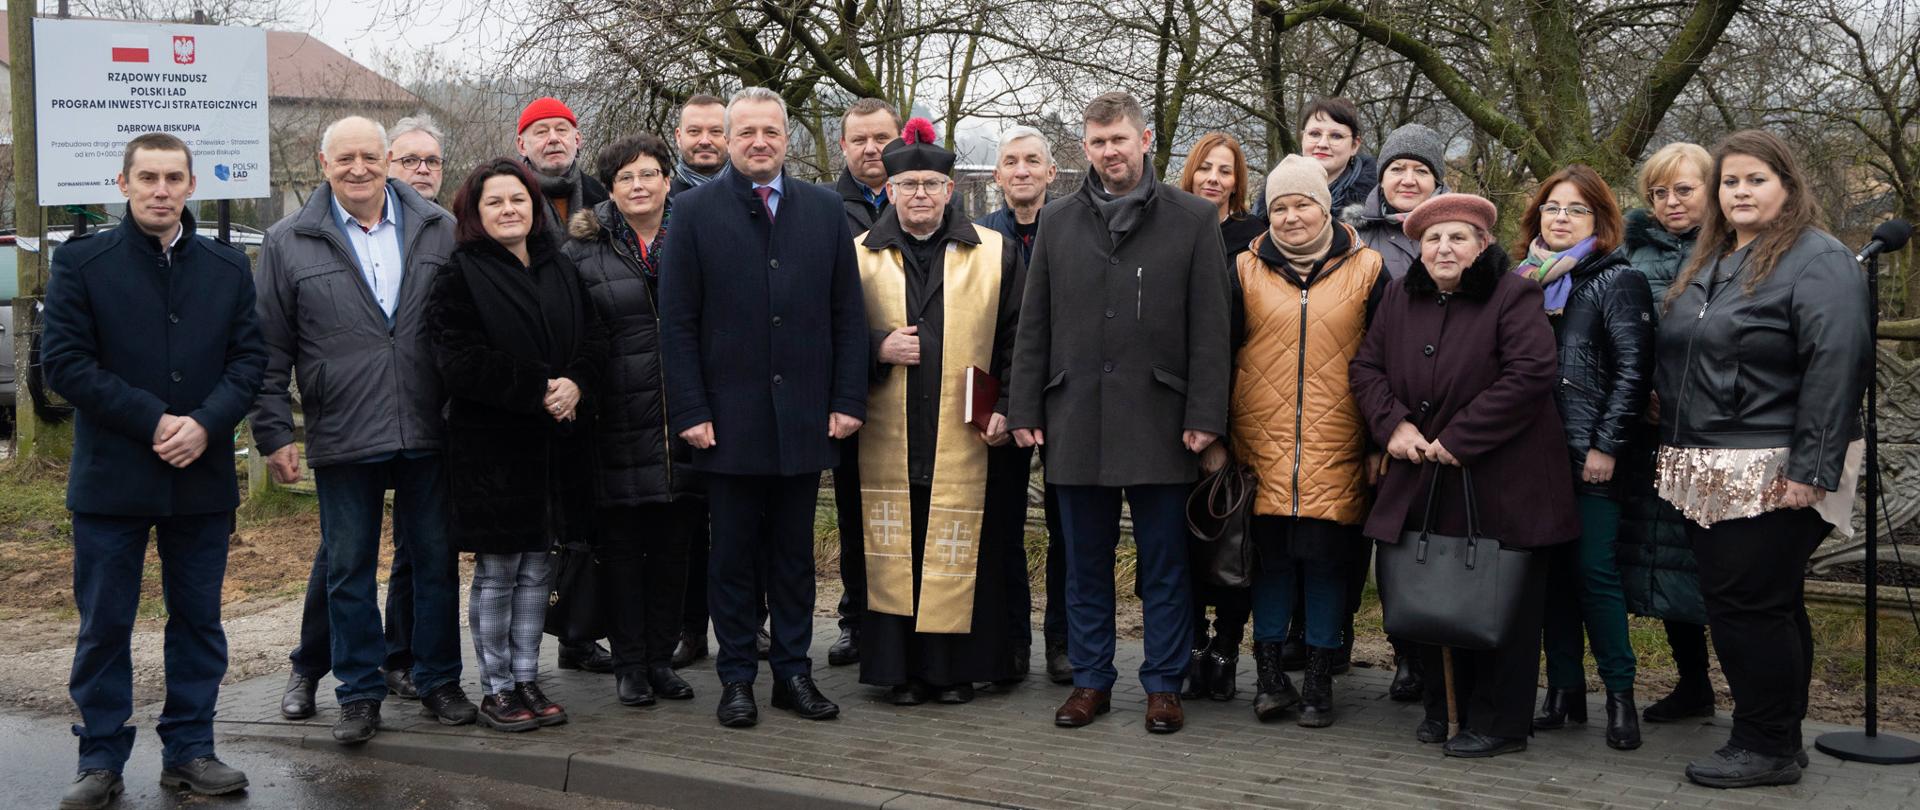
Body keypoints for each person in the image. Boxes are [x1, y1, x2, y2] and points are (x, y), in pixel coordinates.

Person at [43, 133, 266, 808]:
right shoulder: (82, 264)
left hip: (200, 478)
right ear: (124, 183)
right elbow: (66, 365)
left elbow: (249, 364)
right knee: (105, 623)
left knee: (198, 620)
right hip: (113, 479)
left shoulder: (228, 269)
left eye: (173, 177)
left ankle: (191, 750)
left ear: (191, 186)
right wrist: (154, 421)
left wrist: (203, 423)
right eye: (149, 177)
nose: (161, 189)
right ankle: (100, 758)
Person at [1010, 91, 1231, 735]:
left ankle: (1163, 684)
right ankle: (1090, 680)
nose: (1109, 152)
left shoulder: (1193, 219)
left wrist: (1206, 413)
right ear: (1086, 148)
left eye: (1120, 140)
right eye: (1098, 142)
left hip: (1163, 418)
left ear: (1146, 140)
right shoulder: (1056, 221)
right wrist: (1027, 404)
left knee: (1164, 564)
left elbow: (1211, 329)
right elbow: (1034, 323)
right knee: (1083, 561)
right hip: (1074, 414)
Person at [1655, 129, 1870, 789]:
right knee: (1758, 603)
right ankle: (1778, 736)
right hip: (1709, 461)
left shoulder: (1818, 259)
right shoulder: (1714, 256)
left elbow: (1837, 365)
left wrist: (1811, 470)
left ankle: (1764, 744)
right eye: (1730, 181)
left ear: (1787, 186)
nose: (1740, 192)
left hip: (1775, 463)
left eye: (1756, 180)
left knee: (1750, 604)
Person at [252, 116, 475, 745]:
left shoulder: (441, 229)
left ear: (388, 161)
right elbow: (267, 348)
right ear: (322, 163)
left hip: (430, 425)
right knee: (348, 568)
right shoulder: (288, 240)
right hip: (343, 427)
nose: (358, 168)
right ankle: (358, 693)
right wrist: (273, 433)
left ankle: (438, 681)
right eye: (344, 157)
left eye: (370, 157)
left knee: (434, 563)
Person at [660, 87, 869, 728]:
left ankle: (793, 674)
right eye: (745, 132)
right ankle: (736, 679)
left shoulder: (825, 209)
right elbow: (678, 323)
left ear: (788, 139)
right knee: (731, 557)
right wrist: (691, 410)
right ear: (726, 139)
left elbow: (848, 315)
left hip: (806, 417)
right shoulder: (692, 213)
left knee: (793, 558)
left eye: (771, 132)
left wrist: (846, 400)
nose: (759, 142)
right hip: (727, 423)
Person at [1349, 193, 1578, 758]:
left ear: (1483, 245)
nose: (1444, 247)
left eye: (1458, 237)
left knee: (1501, 606)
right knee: (1433, 593)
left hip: (1504, 483)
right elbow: (1366, 366)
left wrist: (1460, 437)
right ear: (1418, 248)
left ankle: (1500, 723)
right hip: (1423, 475)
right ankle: (1442, 707)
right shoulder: (1401, 296)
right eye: (1433, 239)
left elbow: (1530, 373)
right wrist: (1393, 425)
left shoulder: (1513, 294)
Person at [852, 118, 1030, 705]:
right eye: (909, 186)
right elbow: (828, 335)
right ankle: (896, 670)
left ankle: (954, 672)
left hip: (970, 435)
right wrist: (877, 346)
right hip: (888, 435)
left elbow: (1021, 339)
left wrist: (1008, 406)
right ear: (891, 190)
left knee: (963, 549)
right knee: (897, 547)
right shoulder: (857, 257)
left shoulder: (994, 253)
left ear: (950, 190)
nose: (921, 194)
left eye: (931, 184)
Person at [430, 157, 608, 732]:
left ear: (533, 207)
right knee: (499, 572)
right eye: (495, 203)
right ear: (475, 214)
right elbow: (457, 359)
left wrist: (577, 381)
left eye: (518, 200)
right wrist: (538, 389)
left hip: (557, 446)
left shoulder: (559, 267)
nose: (509, 210)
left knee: (539, 568)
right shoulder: (460, 272)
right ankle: (497, 688)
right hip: (494, 451)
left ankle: (529, 677)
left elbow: (595, 336)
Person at [1222, 154, 1388, 727]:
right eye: (1280, 207)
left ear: (1325, 206)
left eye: (1302, 204)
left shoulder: (1368, 269)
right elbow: (1218, 354)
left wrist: (1377, 443)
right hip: (1258, 446)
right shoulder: (1243, 269)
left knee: (1324, 568)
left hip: (1337, 444)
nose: (1291, 217)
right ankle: (1269, 678)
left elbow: (1383, 361)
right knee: (1268, 566)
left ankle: (1318, 681)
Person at [1513, 165, 1653, 752]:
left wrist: (1606, 444)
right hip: (1530, 455)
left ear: (1599, 219)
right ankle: (1564, 691)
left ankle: (1620, 696)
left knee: (1594, 576)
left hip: (1590, 454)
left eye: (1575, 209)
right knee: (1549, 584)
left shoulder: (1617, 280)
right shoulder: (1523, 281)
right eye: (1552, 207)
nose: (1561, 217)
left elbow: (1633, 371)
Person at [564, 133, 703, 707]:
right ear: (610, 188)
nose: (639, 185)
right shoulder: (583, 249)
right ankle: (628, 664)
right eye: (626, 177)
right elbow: (571, 334)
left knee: (675, 550)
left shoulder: (696, 237)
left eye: (649, 174)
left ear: (668, 180)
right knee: (621, 551)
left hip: (685, 420)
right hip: (614, 420)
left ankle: (660, 659)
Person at [1616, 142, 1717, 724]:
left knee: (1714, 564)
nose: (1670, 202)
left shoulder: (1734, 251)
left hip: (1712, 433)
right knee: (1666, 560)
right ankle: (1693, 683)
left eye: (1683, 190)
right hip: (1647, 434)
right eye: (1659, 192)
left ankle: (1765, 703)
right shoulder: (1632, 254)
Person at [1173, 131, 1264, 701]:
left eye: (1225, 171)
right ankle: (1189, 643)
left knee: (1233, 536)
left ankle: (1227, 646)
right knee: (1179, 539)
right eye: (1205, 167)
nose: (1213, 178)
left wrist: (1222, 425)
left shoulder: (1254, 238)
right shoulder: (1172, 225)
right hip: (1172, 406)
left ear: (1239, 180)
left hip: (1240, 402)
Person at [975, 124, 1061, 683]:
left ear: (1052, 173)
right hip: (1003, 406)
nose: (1023, 170)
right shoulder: (977, 240)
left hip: (1066, 398)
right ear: (998, 175)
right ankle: (1008, 648)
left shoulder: (1074, 228)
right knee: (1001, 528)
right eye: (1012, 162)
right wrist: (999, 405)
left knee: (1069, 532)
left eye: (1034, 160)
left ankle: (1065, 645)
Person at [828, 96, 903, 668]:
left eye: (882, 138)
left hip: (920, 390)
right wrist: (875, 346)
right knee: (857, 513)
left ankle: (901, 622)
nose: (872, 149)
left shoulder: (922, 197)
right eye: (861, 139)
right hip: (854, 390)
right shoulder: (824, 210)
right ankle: (856, 620)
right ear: (843, 145)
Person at [1347, 123, 1449, 280]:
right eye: (1397, 169)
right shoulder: (1352, 239)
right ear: (1381, 180)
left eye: (1421, 171)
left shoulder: (1464, 235)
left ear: (1436, 182)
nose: (1408, 181)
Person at [517, 97, 611, 251]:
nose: (554, 139)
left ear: (577, 140)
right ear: (522, 146)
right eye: (541, 132)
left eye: (561, 130)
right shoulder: (507, 201)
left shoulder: (602, 196)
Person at [1300, 98, 1376, 213]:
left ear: (1354, 146)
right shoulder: (1272, 198)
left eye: (1336, 136)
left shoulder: (1377, 204)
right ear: (1302, 139)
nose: (1322, 144)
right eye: (1314, 134)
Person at [670, 94, 730, 196]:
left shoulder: (757, 196)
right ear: (679, 137)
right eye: (694, 131)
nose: (705, 141)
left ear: (729, 136)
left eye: (715, 131)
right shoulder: (661, 203)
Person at [389, 114, 448, 201]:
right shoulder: (366, 213)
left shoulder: (448, 215)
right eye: (410, 161)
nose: (423, 170)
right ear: (386, 166)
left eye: (432, 162)